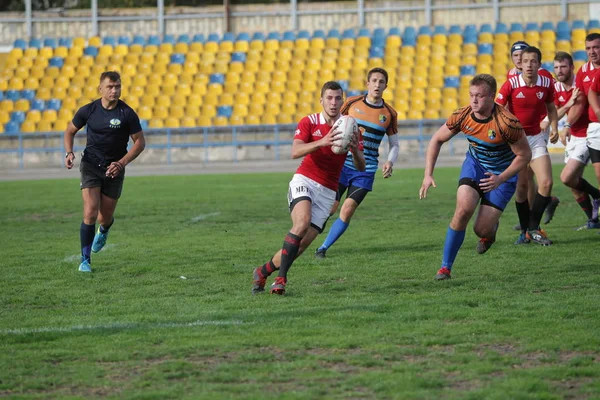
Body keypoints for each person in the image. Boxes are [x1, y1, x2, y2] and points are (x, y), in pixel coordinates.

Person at [251, 81, 365, 295]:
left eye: (337, 98)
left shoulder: (350, 126)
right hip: (305, 180)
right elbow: (295, 151)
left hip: (328, 192)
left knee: (301, 246)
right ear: (321, 100)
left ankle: (262, 272)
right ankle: (281, 280)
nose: (333, 102)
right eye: (329, 98)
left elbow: (361, 166)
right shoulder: (310, 122)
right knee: (301, 223)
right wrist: (322, 141)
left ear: (342, 101)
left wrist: (355, 150)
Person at [419, 74, 531, 280]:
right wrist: (428, 174)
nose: (474, 100)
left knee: (481, 229)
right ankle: (445, 268)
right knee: (463, 210)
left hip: (502, 175)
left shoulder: (507, 122)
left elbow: (525, 155)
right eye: (471, 95)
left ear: (492, 97)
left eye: (479, 96)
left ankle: (490, 231)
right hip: (475, 166)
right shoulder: (463, 115)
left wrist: (501, 179)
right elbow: (436, 139)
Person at [64, 71, 145, 273]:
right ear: (100, 88)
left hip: (114, 170)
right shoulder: (89, 110)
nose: (114, 90)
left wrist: (121, 163)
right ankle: (85, 260)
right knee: (90, 210)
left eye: (117, 86)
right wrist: (69, 152)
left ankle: (105, 229)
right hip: (91, 165)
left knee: (104, 217)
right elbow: (69, 131)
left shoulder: (127, 113)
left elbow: (140, 143)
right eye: (110, 86)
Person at [314, 68, 398, 258]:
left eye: (381, 81)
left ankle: (323, 248)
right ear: (367, 83)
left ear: (386, 85)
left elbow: (394, 144)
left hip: (365, 170)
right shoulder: (351, 103)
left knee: (347, 209)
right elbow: (332, 120)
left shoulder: (390, 114)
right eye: (374, 80)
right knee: (331, 208)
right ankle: (313, 229)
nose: (377, 84)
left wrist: (390, 161)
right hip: (342, 165)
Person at [496, 46, 559, 246]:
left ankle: (533, 228)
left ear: (539, 64)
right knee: (522, 188)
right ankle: (525, 232)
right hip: (517, 142)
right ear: (520, 64)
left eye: (533, 61)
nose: (529, 65)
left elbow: (551, 107)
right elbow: (497, 109)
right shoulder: (510, 84)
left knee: (546, 183)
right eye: (525, 61)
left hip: (536, 137)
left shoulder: (546, 82)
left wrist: (554, 126)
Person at [553, 52, 600, 230]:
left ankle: (597, 195)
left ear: (571, 67)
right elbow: (553, 114)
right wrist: (562, 117)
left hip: (586, 134)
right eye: (556, 67)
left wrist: (566, 124)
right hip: (572, 136)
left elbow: (580, 106)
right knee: (574, 184)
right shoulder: (556, 87)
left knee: (567, 177)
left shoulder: (577, 83)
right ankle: (593, 221)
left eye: (563, 66)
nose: (560, 70)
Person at [564, 33, 600, 226]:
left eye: (596, 47)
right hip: (592, 131)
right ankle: (594, 217)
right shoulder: (583, 72)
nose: (592, 52)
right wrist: (568, 124)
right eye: (588, 48)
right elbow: (579, 103)